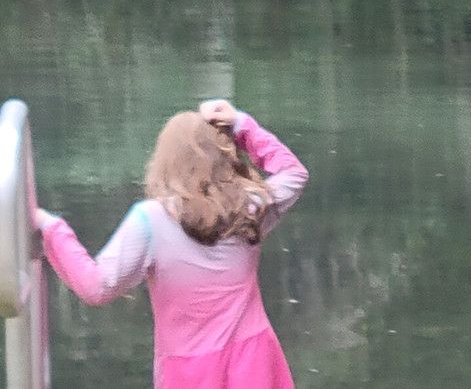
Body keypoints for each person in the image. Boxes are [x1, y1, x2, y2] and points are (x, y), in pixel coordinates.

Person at [35, 99, 309, 389]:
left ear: (164, 162)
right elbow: (293, 174)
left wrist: (51, 228)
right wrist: (241, 125)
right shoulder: (247, 207)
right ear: (222, 156)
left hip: (190, 373)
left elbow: (96, 287)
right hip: (255, 363)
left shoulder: (151, 221)